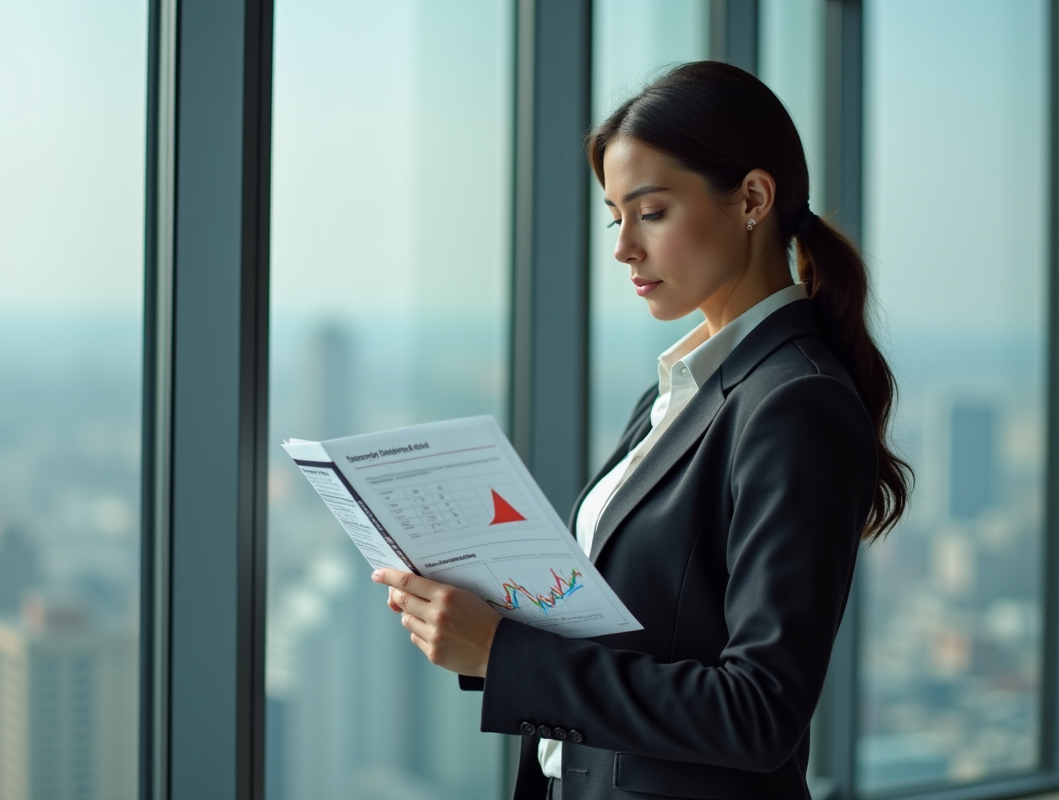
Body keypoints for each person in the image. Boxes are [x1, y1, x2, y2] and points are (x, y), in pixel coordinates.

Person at [372, 60, 911, 800]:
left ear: (753, 199)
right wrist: (485, 627)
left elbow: (759, 712)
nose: (623, 246)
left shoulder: (794, 404)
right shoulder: (679, 392)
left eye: (650, 212)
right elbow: (646, 634)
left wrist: (506, 655)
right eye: (614, 216)